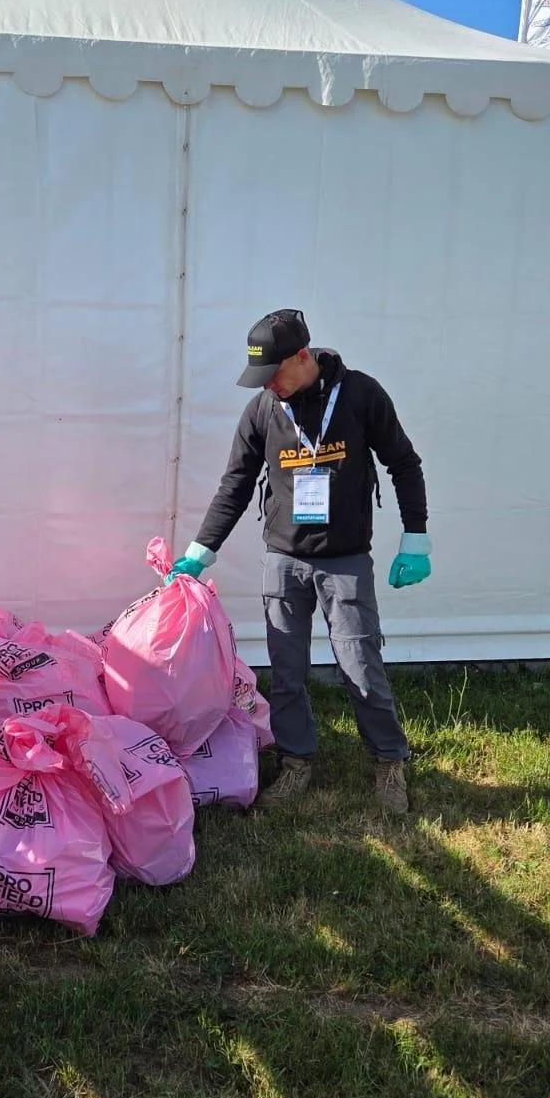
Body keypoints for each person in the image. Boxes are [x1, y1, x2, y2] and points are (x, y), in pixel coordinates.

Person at [170, 310, 429, 815]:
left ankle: (389, 762)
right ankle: (295, 763)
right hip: (283, 560)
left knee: (360, 666)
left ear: (302, 357)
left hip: (345, 561)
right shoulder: (263, 410)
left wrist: (415, 536)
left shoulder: (360, 395)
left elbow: (404, 462)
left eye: (273, 373)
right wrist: (202, 550)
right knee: (286, 673)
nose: (267, 385)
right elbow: (236, 485)